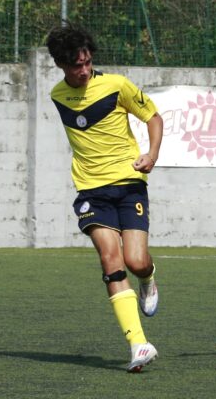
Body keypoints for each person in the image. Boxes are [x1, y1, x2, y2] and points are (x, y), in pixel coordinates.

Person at [46, 21, 163, 372]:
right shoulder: (57, 95)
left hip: (129, 184)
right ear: (61, 66)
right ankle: (138, 345)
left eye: (86, 62)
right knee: (111, 261)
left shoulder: (116, 85)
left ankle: (148, 277)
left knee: (136, 261)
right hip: (91, 190)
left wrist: (152, 155)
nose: (83, 71)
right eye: (75, 66)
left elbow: (153, 117)